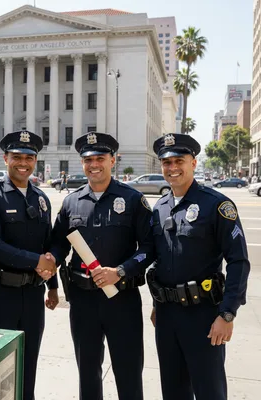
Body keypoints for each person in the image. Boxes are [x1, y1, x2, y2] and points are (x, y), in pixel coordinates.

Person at [50, 132, 153, 400]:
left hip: (122, 299)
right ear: (82, 164)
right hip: (83, 300)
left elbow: (150, 248)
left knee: (128, 370)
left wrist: (120, 272)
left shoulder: (132, 200)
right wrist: (51, 260)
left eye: (100, 158)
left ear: (113, 160)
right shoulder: (72, 201)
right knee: (87, 371)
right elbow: (59, 243)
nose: (94, 164)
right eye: (88, 160)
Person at [148, 133, 250, 400]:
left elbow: (238, 261)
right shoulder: (160, 207)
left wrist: (227, 313)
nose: (172, 168)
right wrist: (157, 305)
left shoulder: (216, 204)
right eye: (166, 163)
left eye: (179, 161)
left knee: (209, 390)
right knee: (173, 390)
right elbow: (161, 259)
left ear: (193, 163)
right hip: (167, 315)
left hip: (203, 315)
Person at [0, 130, 59, 400]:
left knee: (28, 362)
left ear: (36, 161)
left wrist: (53, 286)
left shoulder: (41, 199)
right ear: (5, 158)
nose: (23, 163)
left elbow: (48, 244)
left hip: (33, 295)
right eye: (16, 157)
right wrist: (36, 261)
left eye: (29, 157)